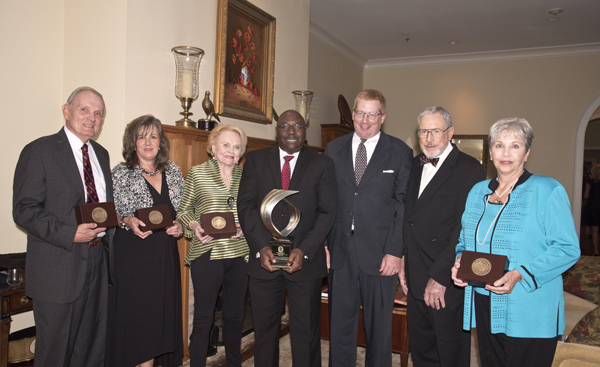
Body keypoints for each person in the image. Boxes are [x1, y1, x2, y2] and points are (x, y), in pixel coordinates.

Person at [451, 117, 580, 367]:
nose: (506, 153)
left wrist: (519, 274)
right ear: (490, 152)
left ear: (527, 152)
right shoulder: (478, 191)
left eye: (515, 145)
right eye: (499, 145)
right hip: (484, 299)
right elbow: (464, 240)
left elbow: (568, 248)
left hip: (529, 307)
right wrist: (459, 261)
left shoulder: (547, 189)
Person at [13, 86, 113, 366]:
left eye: (99, 114)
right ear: (66, 110)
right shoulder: (39, 151)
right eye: (85, 110)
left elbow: (104, 207)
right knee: (55, 354)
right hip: (58, 269)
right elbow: (24, 210)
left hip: (97, 262)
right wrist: (70, 232)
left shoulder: (101, 154)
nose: (92, 118)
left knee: (92, 350)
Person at [238, 110, 336, 367]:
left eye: (297, 126)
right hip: (264, 263)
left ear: (305, 130)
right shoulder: (256, 160)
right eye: (285, 127)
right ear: (277, 131)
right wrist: (260, 246)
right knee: (265, 334)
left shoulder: (322, 164)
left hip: (305, 263)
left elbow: (328, 212)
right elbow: (245, 207)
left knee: (306, 335)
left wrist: (304, 250)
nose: (291, 132)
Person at [325, 89, 413, 367]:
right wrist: (326, 245)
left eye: (372, 114)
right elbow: (325, 202)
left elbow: (402, 206)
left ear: (382, 117)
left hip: (380, 255)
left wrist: (395, 252)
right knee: (340, 326)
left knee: (379, 329)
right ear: (352, 115)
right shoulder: (333, 149)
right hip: (340, 252)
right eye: (360, 112)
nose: (365, 120)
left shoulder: (400, 151)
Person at [399, 106, 485, 367]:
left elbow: (464, 228)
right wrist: (403, 257)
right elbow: (408, 218)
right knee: (422, 347)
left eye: (435, 131)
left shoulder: (470, 169)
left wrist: (440, 276)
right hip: (414, 271)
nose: (428, 138)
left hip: (446, 276)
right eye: (423, 131)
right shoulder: (413, 165)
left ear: (450, 132)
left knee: (450, 351)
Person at [106, 115, 185, 367]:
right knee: (139, 320)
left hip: (164, 256)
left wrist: (180, 227)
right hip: (133, 258)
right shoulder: (120, 173)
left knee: (158, 318)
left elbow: (183, 211)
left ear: (160, 141)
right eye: (141, 137)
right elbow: (109, 213)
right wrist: (127, 221)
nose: (148, 142)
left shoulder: (173, 172)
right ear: (133, 142)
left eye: (153, 136)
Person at [176, 124, 249, 367]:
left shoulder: (246, 177)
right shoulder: (197, 173)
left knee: (234, 317)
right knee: (204, 318)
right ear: (213, 147)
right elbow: (183, 211)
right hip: (207, 252)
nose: (231, 151)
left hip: (239, 254)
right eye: (226, 145)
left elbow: (252, 213)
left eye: (237, 146)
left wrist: (245, 228)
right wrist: (194, 227)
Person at [587, 164, 600, 255]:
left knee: (594, 229)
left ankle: (596, 251)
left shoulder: (590, 183)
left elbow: (585, 196)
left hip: (594, 206)